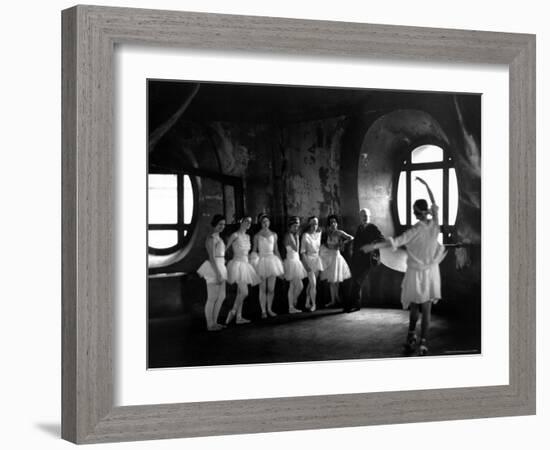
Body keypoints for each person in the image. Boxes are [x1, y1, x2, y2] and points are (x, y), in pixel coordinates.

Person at [362, 177, 446, 355]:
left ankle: (411, 335)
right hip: (431, 272)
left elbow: (395, 241)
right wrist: (426, 185)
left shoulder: (415, 230)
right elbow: (435, 203)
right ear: (427, 211)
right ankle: (423, 342)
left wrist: (373, 246)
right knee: (427, 308)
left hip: (416, 273)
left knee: (415, 307)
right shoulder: (435, 224)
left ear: (415, 213)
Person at [346, 208, 384, 313]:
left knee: (357, 282)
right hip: (357, 259)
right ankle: (357, 304)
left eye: (366, 215)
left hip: (368, 260)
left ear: (369, 216)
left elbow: (382, 239)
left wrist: (371, 246)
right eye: (363, 216)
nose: (365, 217)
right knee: (355, 281)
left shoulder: (373, 228)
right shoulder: (360, 228)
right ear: (360, 217)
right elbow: (357, 243)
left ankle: (350, 305)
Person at [225, 215, 261, 325]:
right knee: (245, 292)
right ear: (241, 222)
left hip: (246, 265)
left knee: (240, 293)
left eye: (250, 222)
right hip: (237, 264)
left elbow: (248, 252)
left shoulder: (248, 236)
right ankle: (233, 311)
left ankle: (239, 318)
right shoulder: (235, 235)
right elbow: (225, 249)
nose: (249, 224)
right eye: (246, 221)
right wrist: (223, 260)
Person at [196, 214, 228, 331]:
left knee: (222, 296)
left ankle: (214, 322)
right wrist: (218, 273)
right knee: (212, 298)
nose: (222, 226)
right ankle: (210, 324)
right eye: (220, 224)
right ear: (215, 224)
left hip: (221, 266)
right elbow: (212, 258)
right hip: (214, 268)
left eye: (224, 224)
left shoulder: (219, 238)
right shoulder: (211, 238)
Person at [251, 215, 285, 318]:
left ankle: (269, 309)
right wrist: (251, 261)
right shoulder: (257, 236)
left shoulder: (274, 235)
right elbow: (254, 249)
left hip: (272, 261)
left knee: (271, 288)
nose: (265, 223)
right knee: (262, 288)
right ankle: (263, 311)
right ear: (260, 223)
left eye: (267, 221)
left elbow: (276, 250)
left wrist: (281, 263)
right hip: (261, 261)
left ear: (269, 222)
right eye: (263, 222)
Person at [320, 214, 353, 308]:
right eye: (331, 222)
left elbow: (351, 237)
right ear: (329, 224)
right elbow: (325, 244)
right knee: (332, 281)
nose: (333, 224)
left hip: (336, 258)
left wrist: (342, 243)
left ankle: (335, 299)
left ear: (337, 223)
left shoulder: (339, 232)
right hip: (329, 257)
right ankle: (334, 300)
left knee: (336, 281)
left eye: (334, 222)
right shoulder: (327, 232)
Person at [283, 216, 308, 314]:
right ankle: (292, 303)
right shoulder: (289, 235)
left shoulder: (292, 235)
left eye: (297, 226)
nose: (296, 228)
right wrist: (297, 237)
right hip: (292, 262)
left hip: (295, 261)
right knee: (298, 286)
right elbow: (296, 249)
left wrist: (297, 236)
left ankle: (291, 305)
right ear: (290, 226)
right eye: (294, 226)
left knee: (293, 286)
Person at [300, 216, 324, 312]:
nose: (315, 225)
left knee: (311, 284)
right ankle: (314, 305)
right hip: (308, 260)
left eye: (316, 223)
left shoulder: (319, 233)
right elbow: (302, 252)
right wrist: (307, 265)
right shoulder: (305, 236)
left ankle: (307, 301)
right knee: (313, 284)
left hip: (317, 260)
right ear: (309, 224)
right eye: (313, 223)